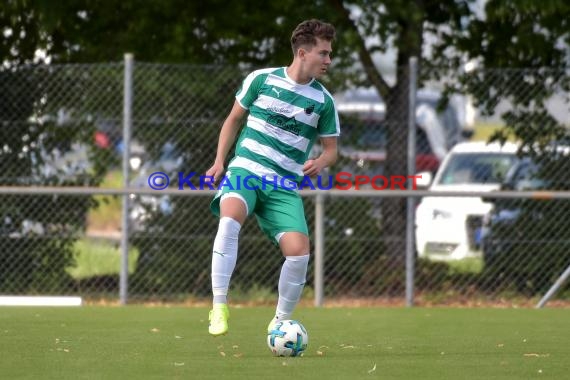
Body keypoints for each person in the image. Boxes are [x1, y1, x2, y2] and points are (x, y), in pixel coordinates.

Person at [205, 19, 340, 336]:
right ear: (303, 53)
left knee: (299, 253)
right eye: (324, 53)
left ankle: (280, 323)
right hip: (246, 171)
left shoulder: (323, 101)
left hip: (283, 186)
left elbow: (332, 150)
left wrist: (322, 160)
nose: (329, 60)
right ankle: (219, 306)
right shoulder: (261, 79)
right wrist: (219, 161)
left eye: (330, 53)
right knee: (229, 219)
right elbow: (233, 120)